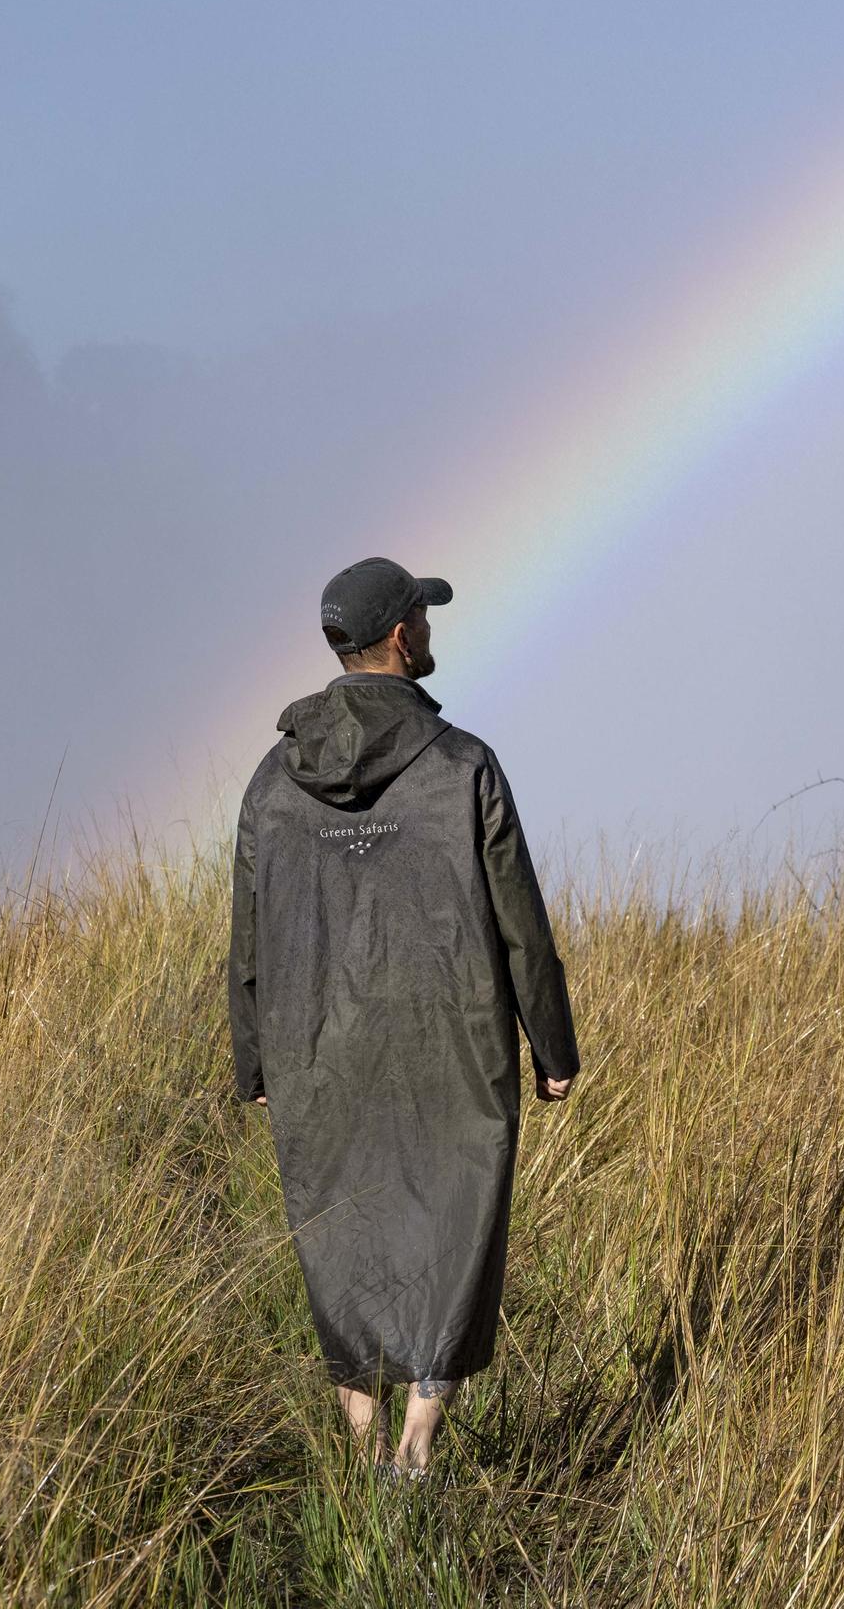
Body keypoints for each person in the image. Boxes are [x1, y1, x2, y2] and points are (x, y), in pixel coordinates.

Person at [228, 556, 581, 1478]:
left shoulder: (272, 781)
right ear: (397, 637)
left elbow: (249, 941)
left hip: (313, 1050)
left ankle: (358, 1447)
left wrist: (256, 1064)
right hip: (453, 1046)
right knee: (454, 1225)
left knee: (340, 1222)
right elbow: (521, 926)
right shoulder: (464, 765)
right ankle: (417, 1449)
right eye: (421, 618)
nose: (429, 631)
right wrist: (553, 1046)